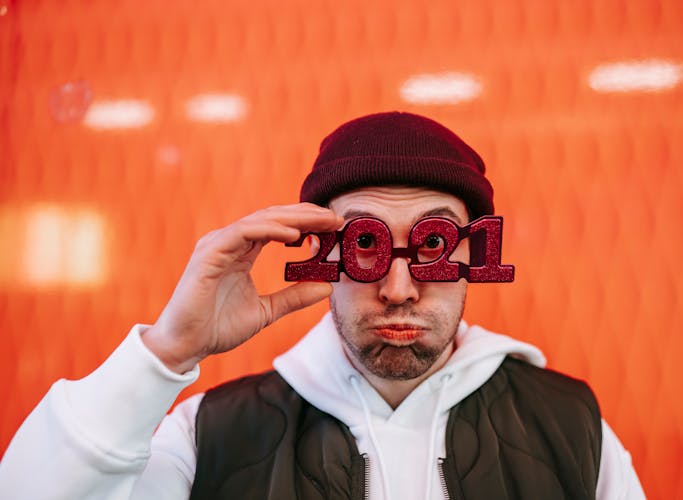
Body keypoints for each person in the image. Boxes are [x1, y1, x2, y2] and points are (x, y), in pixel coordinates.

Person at [0, 112, 646, 499]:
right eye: (365, 246)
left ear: (474, 256)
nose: (398, 289)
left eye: (432, 247)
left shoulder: (571, 427)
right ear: (323, 252)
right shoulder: (210, 435)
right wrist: (166, 352)